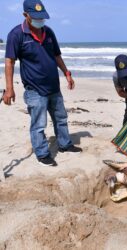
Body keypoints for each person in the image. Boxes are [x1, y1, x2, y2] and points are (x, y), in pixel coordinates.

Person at [4, 0, 82, 167]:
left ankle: (64, 144)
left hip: (54, 86)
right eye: (36, 17)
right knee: (39, 124)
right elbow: (10, 62)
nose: (40, 21)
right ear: (26, 15)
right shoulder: (16, 34)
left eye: (42, 17)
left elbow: (56, 56)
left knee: (61, 118)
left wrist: (67, 73)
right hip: (34, 89)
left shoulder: (49, 32)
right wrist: (9, 89)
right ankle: (42, 154)